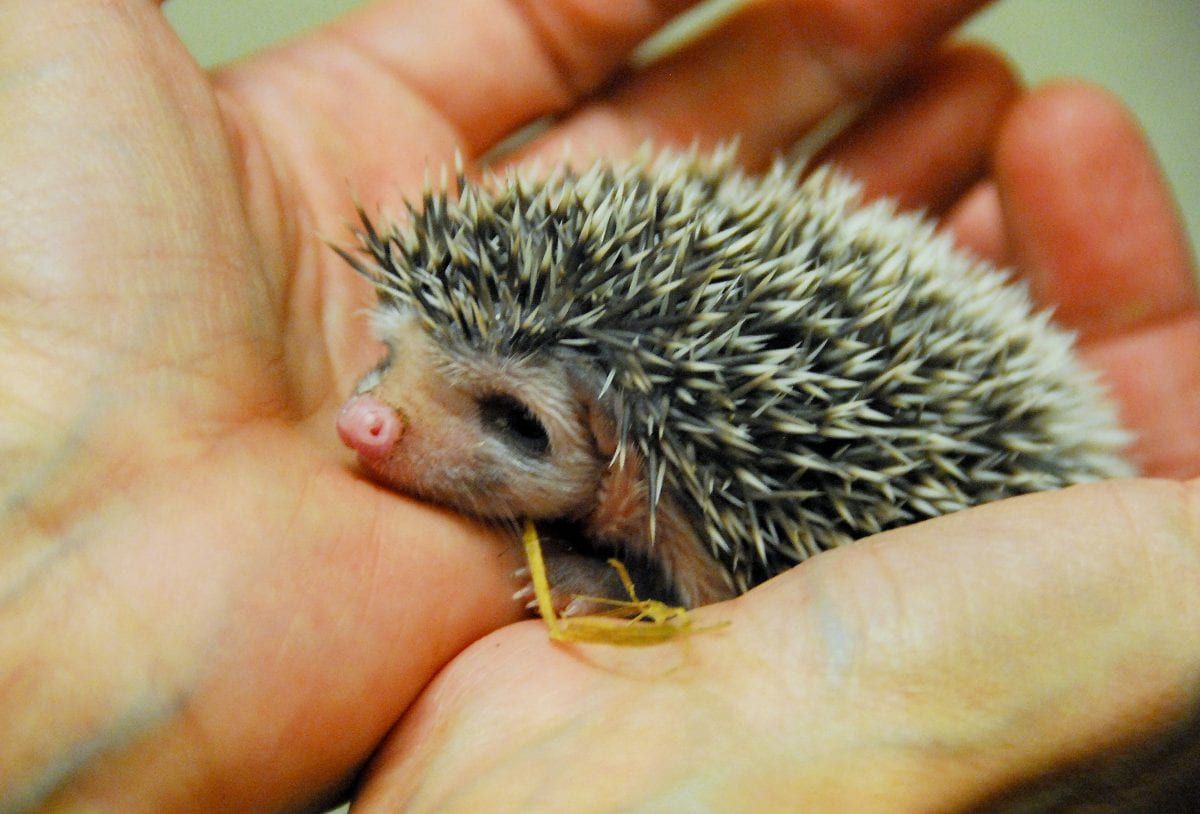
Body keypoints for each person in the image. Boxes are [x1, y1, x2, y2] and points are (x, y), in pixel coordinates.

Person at [1, 0, 1196, 810]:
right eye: (395, 365)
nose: (374, 421)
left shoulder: (711, 507)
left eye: (509, 420)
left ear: (636, 480)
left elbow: (705, 598)